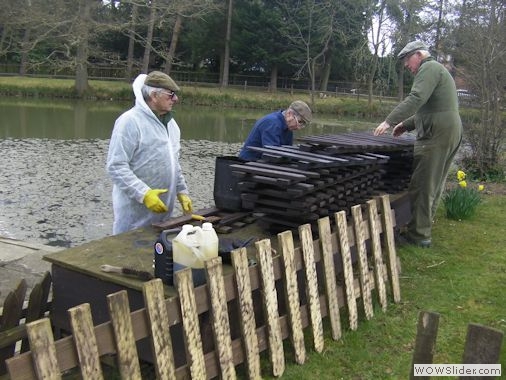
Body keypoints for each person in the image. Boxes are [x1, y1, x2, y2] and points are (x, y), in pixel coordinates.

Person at [374, 41, 462, 248]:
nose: (406, 65)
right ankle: (422, 228)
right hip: (448, 131)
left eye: (407, 59)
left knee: (422, 185)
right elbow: (431, 108)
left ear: (419, 55)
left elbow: (416, 98)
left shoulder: (428, 67)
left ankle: (418, 236)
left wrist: (389, 121)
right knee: (434, 184)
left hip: (437, 134)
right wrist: (405, 125)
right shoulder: (438, 70)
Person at [106, 71, 193, 235]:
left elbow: (174, 163)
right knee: (129, 256)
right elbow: (116, 166)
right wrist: (144, 194)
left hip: (163, 218)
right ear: (154, 95)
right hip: (133, 218)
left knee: (158, 256)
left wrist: (182, 191)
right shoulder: (130, 122)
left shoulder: (171, 125)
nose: (176, 99)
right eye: (171, 94)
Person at [238, 100, 312, 161]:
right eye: (299, 122)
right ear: (289, 114)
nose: (299, 127)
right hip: (248, 164)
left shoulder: (288, 126)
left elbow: (287, 151)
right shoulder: (272, 123)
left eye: (303, 124)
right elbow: (272, 155)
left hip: (264, 162)